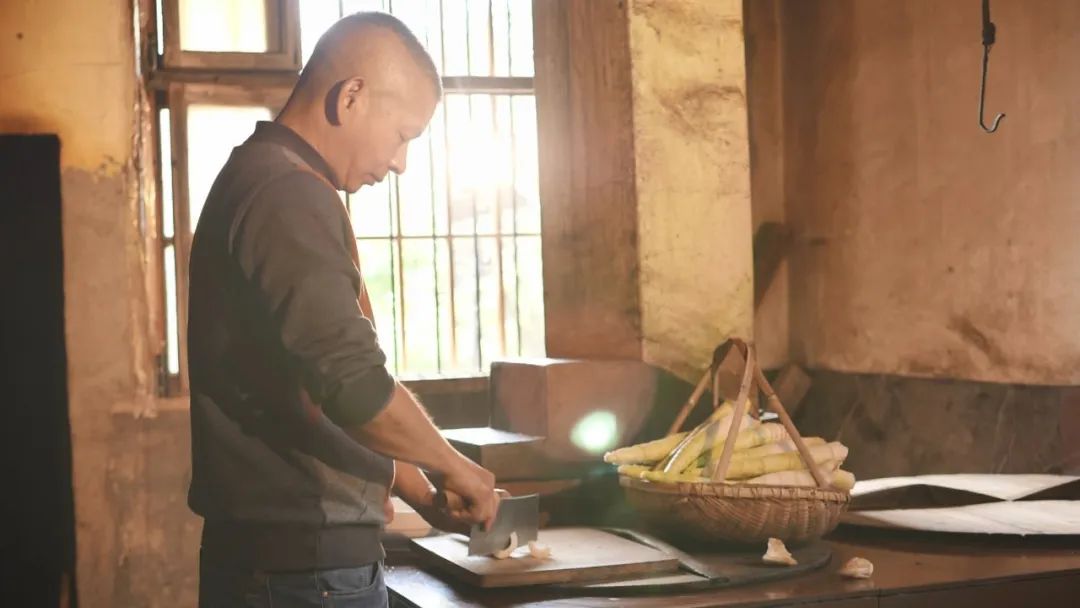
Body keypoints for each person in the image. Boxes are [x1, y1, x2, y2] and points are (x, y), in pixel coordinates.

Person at [186, 12, 498, 607]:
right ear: (351, 96)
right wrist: (455, 466)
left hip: (291, 565)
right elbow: (351, 383)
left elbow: (310, 390)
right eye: (403, 135)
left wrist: (420, 489)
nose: (401, 162)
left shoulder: (268, 177)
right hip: (304, 575)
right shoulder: (286, 193)